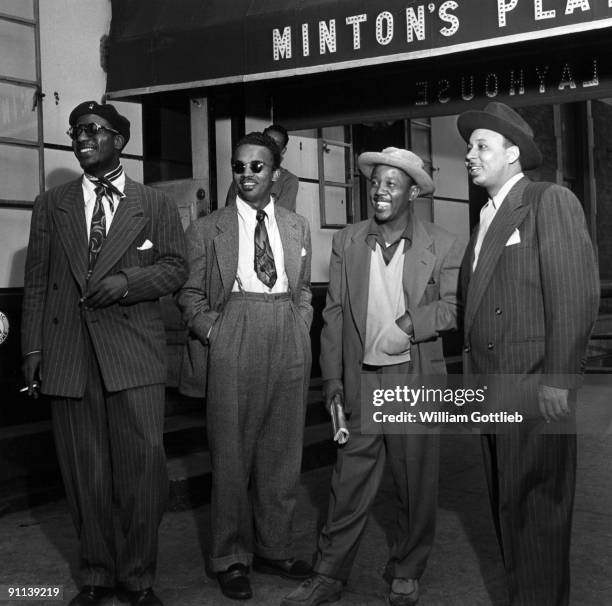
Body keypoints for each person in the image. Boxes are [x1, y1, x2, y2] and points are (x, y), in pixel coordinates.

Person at [21, 101, 188, 606]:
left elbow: (177, 268)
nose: (81, 138)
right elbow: (35, 283)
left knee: (142, 471)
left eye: (93, 130)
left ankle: (138, 578)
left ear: (120, 139)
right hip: (69, 353)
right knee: (83, 470)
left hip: (132, 354)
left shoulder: (154, 204)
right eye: (76, 131)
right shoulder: (52, 205)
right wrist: (32, 349)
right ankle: (95, 573)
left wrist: (126, 283)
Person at [282, 147, 465, 606]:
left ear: (413, 192)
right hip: (360, 380)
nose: (380, 191)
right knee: (347, 482)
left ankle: (407, 569)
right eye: (376, 182)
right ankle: (328, 573)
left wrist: (409, 323)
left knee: (414, 482)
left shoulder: (442, 243)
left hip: (413, 378)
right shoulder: (348, 241)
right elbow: (336, 314)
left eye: (392, 184)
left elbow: (453, 308)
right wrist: (332, 381)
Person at [457, 101, 599, 605]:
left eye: (481, 146)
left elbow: (575, 293)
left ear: (513, 153)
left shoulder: (547, 201)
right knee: (511, 516)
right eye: (469, 147)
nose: (470, 156)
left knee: (537, 520)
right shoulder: (484, 221)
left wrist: (560, 379)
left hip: (536, 391)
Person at [177, 131, 313, 601]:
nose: (247, 174)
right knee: (231, 457)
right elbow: (190, 294)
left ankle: (275, 547)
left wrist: (301, 321)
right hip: (234, 328)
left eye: (258, 166)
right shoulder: (206, 229)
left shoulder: (297, 225)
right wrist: (215, 332)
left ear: (275, 174)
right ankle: (230, 557)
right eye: (240, 166)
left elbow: (305, 288)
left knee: (282, 453)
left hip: (287, 331)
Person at [225, 124, 299, 211]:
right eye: (265, 142)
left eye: (276, 144)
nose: (270, 147)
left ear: (283, 151)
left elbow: (281, 216)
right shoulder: (243, 175)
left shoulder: (289, 180)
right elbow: (230, 212)